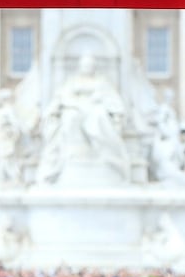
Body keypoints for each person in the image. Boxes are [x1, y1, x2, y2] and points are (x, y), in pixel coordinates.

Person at [36, 52, 131, 184]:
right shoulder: (72, 81)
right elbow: (62, 97)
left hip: (96, 109)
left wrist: (102, 102)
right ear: (80, 66)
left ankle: (106, 153)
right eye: (85, 65)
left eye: (90, 65)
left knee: (98, 116)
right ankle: (71, 155)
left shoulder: (101, 82)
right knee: (70, 118)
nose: (87, 68)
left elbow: (112, 99)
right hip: (75, 108)